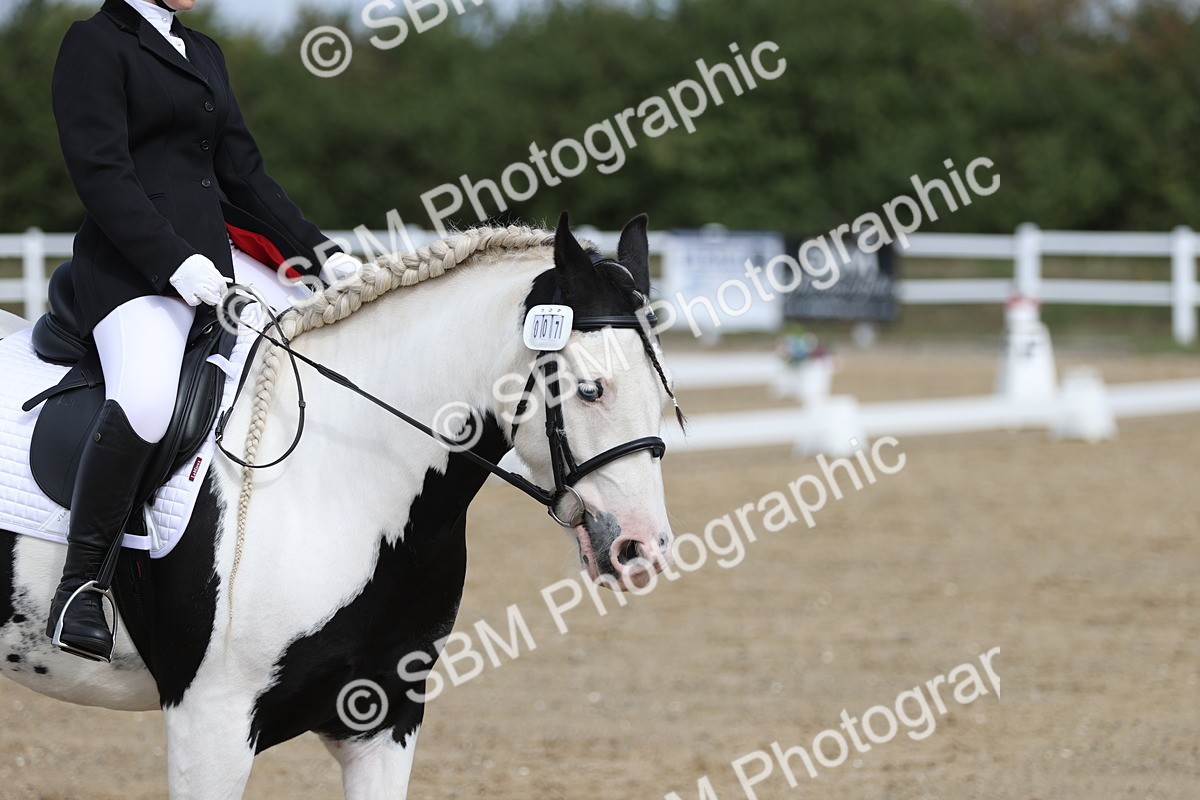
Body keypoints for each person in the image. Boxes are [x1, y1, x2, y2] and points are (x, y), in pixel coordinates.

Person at [47, 0, 362, 661]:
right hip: (130, 273)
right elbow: (102, 175)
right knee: (149, 399)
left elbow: (244, 176)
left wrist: (318, 252)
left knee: (311, 353)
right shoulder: (95, 44)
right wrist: (174, 263)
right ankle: (82, 586)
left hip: (216, 267)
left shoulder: (203, 52)